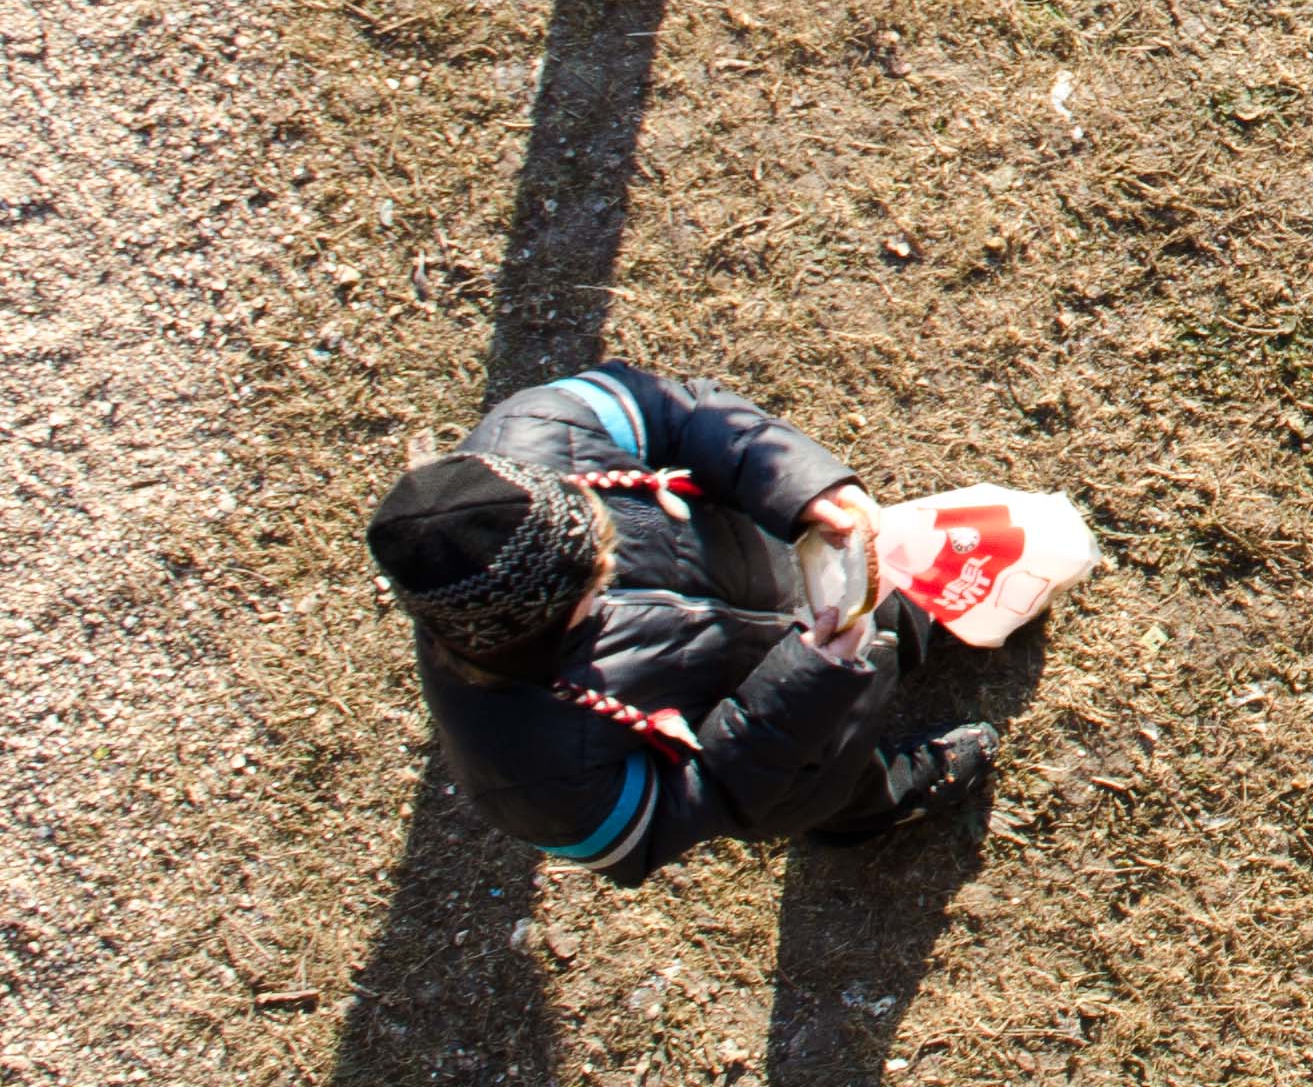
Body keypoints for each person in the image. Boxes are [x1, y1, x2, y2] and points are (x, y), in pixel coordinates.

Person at [363, 361, 998, 880]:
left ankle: (902, 633)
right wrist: (806, 681)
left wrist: (802, 485)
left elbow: (684, 414)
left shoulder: (537, 430)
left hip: (778, 572)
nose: (610, 554)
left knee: (886, 618)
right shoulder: (525, 767)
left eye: (595, 526)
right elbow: (683, 806)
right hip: (775, 746)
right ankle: (867, 808)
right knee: (830, 775)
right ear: (532, 628)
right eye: (592, 579)